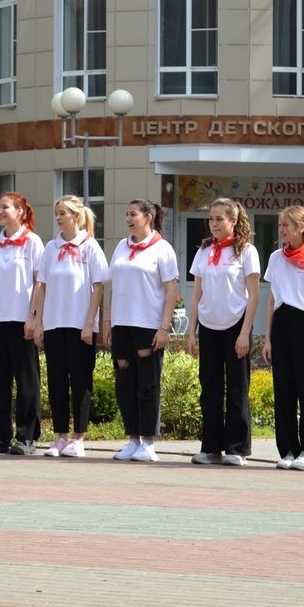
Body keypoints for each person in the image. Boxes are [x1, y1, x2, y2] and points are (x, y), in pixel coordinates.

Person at [31, 195, 108, 458]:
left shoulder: (90, 247)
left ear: (76, 216)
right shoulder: (50, 248)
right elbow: (41, 286)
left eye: (62, 213)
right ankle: (61, 436)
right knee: (56, 381)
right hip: (54, 323)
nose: (58, 217)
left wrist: (89, 324)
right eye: (57, 213)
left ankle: (79, 437)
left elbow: (98, 288)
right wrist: (38, 322)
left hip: (80, 326)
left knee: (80, 380)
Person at [186, 198, 260, 466]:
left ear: (233, 221)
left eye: (219, 219)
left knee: (238, 388)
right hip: (208, 326)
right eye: (211, 219)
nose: (214, 224)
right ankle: (211, 447)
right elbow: (196, 295)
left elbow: (254, 296)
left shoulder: (247, 251)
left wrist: (244, 333)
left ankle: (236, 448)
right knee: (210, 388)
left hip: (235, 325)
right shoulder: (204, 251)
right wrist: (191, 332)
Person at [107, 199, 178, 462]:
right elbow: (114, 286)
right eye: (126, 214)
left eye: (133, 214)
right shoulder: (121, 246)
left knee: (147, 383)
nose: (128, 219)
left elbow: (171, 290)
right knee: (125, 382)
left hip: (148, 324)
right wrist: (110, 322)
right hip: (122, 324)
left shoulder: (162, 248)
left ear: (148, 218)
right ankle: (132, 439)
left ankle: (148, 442)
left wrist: (164, 327)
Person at [262, 206, 304, 472]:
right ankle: (288, 449)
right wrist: (267, 339)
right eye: (280, 225)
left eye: (286, 225)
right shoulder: (276, 258)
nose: (281, 230)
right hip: (281, 324)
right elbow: (271, 301)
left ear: (301, 227)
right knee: (283, 391)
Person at [0, 192, 44, 455]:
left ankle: (27, 437)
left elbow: (39, 283)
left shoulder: (32, 242)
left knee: (26, 380)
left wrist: (33, 316)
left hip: (21, 320)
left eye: (5, 207)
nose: (0, 211)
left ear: (20, 211)